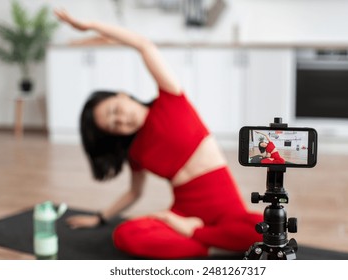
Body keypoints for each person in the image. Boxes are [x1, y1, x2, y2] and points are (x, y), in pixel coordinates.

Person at [55, 9, 263, 259]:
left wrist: (91, 24)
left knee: (270, 228)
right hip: (182, 215)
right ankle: (213, 244)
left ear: (122, 95)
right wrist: (99, 217)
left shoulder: (170, 97)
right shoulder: (135, 152)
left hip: (225, 211)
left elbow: (143, 45)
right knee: (124, 235)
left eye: (115, 111)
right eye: (112, 125)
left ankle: (201, 239)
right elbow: (135, 193)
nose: (120, 120)